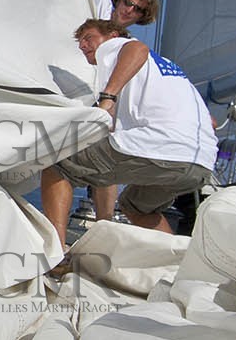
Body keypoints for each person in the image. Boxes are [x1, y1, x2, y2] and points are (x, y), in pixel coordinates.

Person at [40, 18, 217, 248]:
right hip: (201, 164)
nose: (83, 45)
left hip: (164, 146)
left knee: (58, 165)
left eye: (88, 38)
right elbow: (211, 121)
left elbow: (137, 48)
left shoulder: (115, 48)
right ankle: (176, 261)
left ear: (113, 35)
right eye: (80, 42)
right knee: (136, 207)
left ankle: (55, 253)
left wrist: (108, 97)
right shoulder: (166, 67)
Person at [75, 0, 161, 225]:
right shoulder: (99, 6)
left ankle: (105, 221)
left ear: (142, 17)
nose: (129, 10)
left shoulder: (131, 45)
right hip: (71, 84)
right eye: (128, 2)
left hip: (100, 100)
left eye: (138, 10)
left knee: (105, 161)